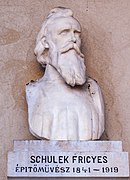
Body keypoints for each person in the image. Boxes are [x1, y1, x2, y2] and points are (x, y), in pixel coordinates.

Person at [26, 7, 104, 140]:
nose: (73, 39)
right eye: (64, 33)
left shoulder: (93, 90)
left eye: (77, 33)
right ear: (45, 42)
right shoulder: (33, 90)